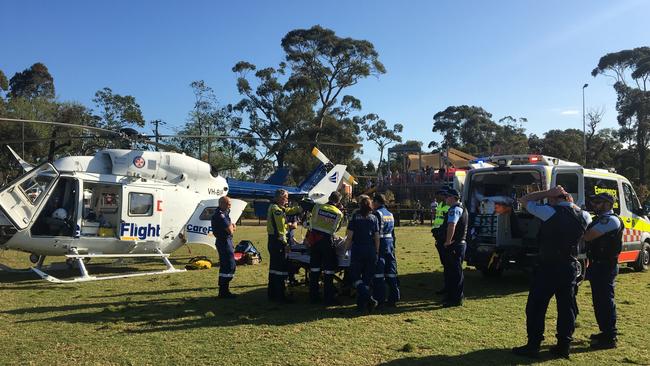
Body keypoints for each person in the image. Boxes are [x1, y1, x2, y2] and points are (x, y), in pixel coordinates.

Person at [512, 185, 591, 359]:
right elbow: (578, 215)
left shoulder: (549, 212)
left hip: (548, 266)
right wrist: (568, 200)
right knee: (567, 308)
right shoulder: (584, 215)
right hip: (569, 266)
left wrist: (548, 192)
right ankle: (564, 345)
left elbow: (524, 200)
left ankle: (533, 345)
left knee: (536, 306)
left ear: (554, 199)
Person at [583, 192, 624, 350]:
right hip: (597, 264)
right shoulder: (600, 219)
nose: (595, 205)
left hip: (606, 266)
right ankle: (605, 331)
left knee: (605, 301)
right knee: (599, 301)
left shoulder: (610, 220)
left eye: (599, 202)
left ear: (608, 204)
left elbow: (588, 236)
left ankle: (610, 336)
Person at [344, 195, 380, 312]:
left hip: (358, 249)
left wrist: (345, 250)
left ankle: (368, 299)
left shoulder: (355, 217)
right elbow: (377, 237)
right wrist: (377, 251)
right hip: (370, 250)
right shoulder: (374, 218)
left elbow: (349, 236)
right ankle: (362, 304)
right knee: (366, 278)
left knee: (355, 276)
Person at [267, 189, 303, 302]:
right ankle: (280, 296)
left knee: (273, 269)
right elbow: (280, 230)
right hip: (278, 242)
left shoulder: (274, 207)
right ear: (279, 197)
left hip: (273, 241)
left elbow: (289, 210)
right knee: (280, 269)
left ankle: (272, 293)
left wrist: (301, 208)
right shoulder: (277, 210)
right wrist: (285, 243)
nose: (287, 200)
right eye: (285, 197)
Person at [308, 191, 344, 304]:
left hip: (314, 241)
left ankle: (313, 296)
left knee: (314, 269)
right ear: (338, 202)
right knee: (329, 271)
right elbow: (336, 229)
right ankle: (329, 297)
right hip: (327, 242)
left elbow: (311, 223)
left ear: (329, 197)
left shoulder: (317, 207)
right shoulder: (338, 213)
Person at [438, 189, 468, 307]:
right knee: (452, 271)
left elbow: (452, 225)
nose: (445, 199)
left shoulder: (455, 210)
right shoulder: (461, 208)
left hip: (455, 244)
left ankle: (456, 298)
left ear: (454, 197)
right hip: (459, 243)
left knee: (455, 272)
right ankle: (451, 296)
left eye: (447, 197)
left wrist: (447, 241)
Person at [372, 193, 400, 308]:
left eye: (373, 202)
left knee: (379, 272)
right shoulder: (390, 214)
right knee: (391, 271)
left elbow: (375, 232)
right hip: (390, 243)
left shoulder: (377, 214)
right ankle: (394, 297)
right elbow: (393, 232)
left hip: (381, 243)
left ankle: (380, 299)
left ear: (377, 202)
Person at [211, 196, 237, 299]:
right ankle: (223, 291)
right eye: (228, 204)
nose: (230, 206)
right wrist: (233, 227)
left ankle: (224, 290)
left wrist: (231, 227)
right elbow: (230, 230)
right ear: (221, 204)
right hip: (224, 242)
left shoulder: (224, 214)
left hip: (225, 241)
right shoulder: (220, 215)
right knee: (229, 265)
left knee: (226, 265)